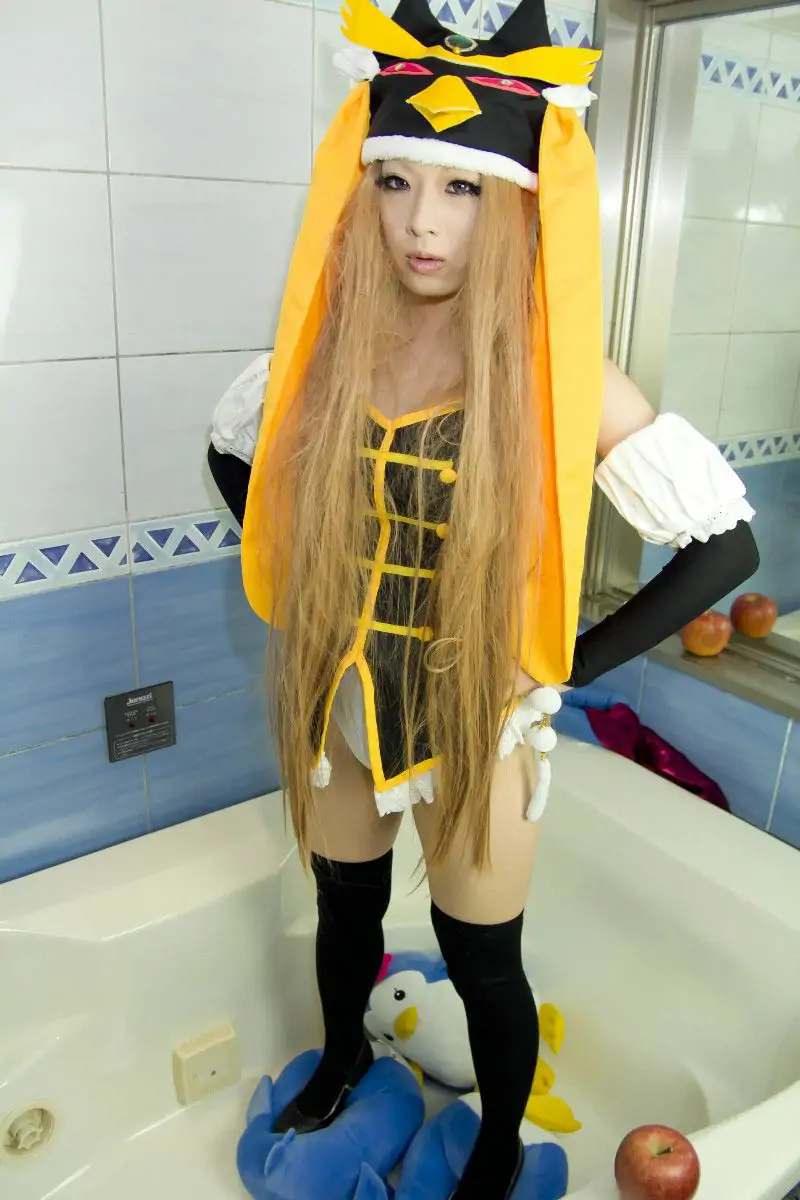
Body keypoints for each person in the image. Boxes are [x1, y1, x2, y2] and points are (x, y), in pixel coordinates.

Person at [208, 0, 759, 1195]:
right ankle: (342, 1060)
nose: (420, 221)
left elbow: (724, 546)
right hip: (342, 698)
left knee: (482, 958)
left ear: (510, 200)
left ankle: (496, 1141)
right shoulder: (328, 347)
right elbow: (234, 454)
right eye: (396, 182)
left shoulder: (556, 374)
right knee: (343, 913)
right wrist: (301, 584)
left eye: (459, 189)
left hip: (479, 723)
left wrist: (562, 662)